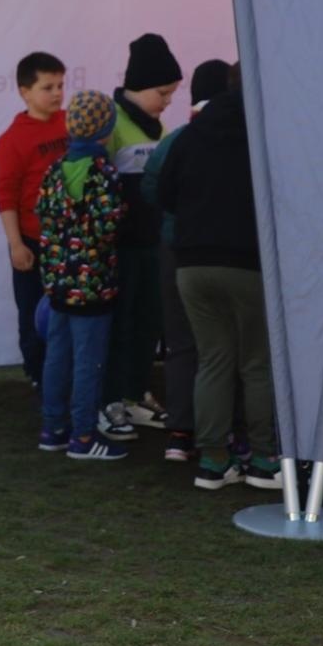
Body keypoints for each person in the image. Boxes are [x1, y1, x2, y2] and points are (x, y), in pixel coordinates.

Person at [157, 65, 282, 491]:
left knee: (212, 361)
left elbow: (162, 193)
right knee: (256, 364)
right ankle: (264, 460)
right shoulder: (268, 136)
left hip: (191, 265)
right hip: (249, 263)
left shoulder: (190, 135)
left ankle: (213, 461)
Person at [141, 58, 230, 462]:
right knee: (221, 347)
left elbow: (151, 192)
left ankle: (180, 432)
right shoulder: (235, 136)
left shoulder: (172, 140)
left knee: (180, 343)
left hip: (173, 251)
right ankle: (221, 435)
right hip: (219, 254)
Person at [36, 90, 128, 461]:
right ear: (105, 131)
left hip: (58, 285)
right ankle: (84, 437)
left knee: (56, 357)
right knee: (88, 362)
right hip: (93, 287)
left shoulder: (53, 170)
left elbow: (40, 214)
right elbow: (110, 226)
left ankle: (53, 429)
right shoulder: (104, 173)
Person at [101, 32, 182, 440]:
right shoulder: (112, 122)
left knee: (149, 322)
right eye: (163, 92)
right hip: (121, 247)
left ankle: (135, 393)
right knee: (122, 323)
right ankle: (112, 398)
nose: (167, 101)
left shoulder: (160, 127)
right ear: (140, 85)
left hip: (153, 243)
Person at [0, 51, 68, 396]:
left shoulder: (71, 124)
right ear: (25, 91)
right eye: (47, 87)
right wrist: (16, 244)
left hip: (72, 242)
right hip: (34, 243)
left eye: (60, 85)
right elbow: (6, 195)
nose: (56, 93)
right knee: (34, 315)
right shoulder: (13, 139)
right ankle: (40, 377)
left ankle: (66, 374)